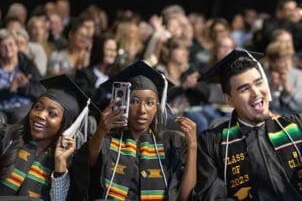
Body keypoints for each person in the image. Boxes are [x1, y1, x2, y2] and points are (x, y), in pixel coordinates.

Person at [69, 60, 197, 201]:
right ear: (123, 103)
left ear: (157, 108)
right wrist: (101, 130)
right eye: (134, 101)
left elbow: (185, 197)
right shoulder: (107, 141)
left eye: (149, 103)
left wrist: (192, 146)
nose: (142, 110)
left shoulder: (171, 144)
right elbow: (87, 165)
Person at [193, 49, 302, 201]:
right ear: (229, 99)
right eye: (245, 89)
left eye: (258, 83)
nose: (256, 93)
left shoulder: (296, 126)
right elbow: (210, 196)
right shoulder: (213, 143)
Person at [0, 74, 91, 200]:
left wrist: (60, 164)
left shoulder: (72, 162)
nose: (40, 115)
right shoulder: (7, 137)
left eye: (52, 114)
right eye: (38, 107)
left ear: (66, 125)